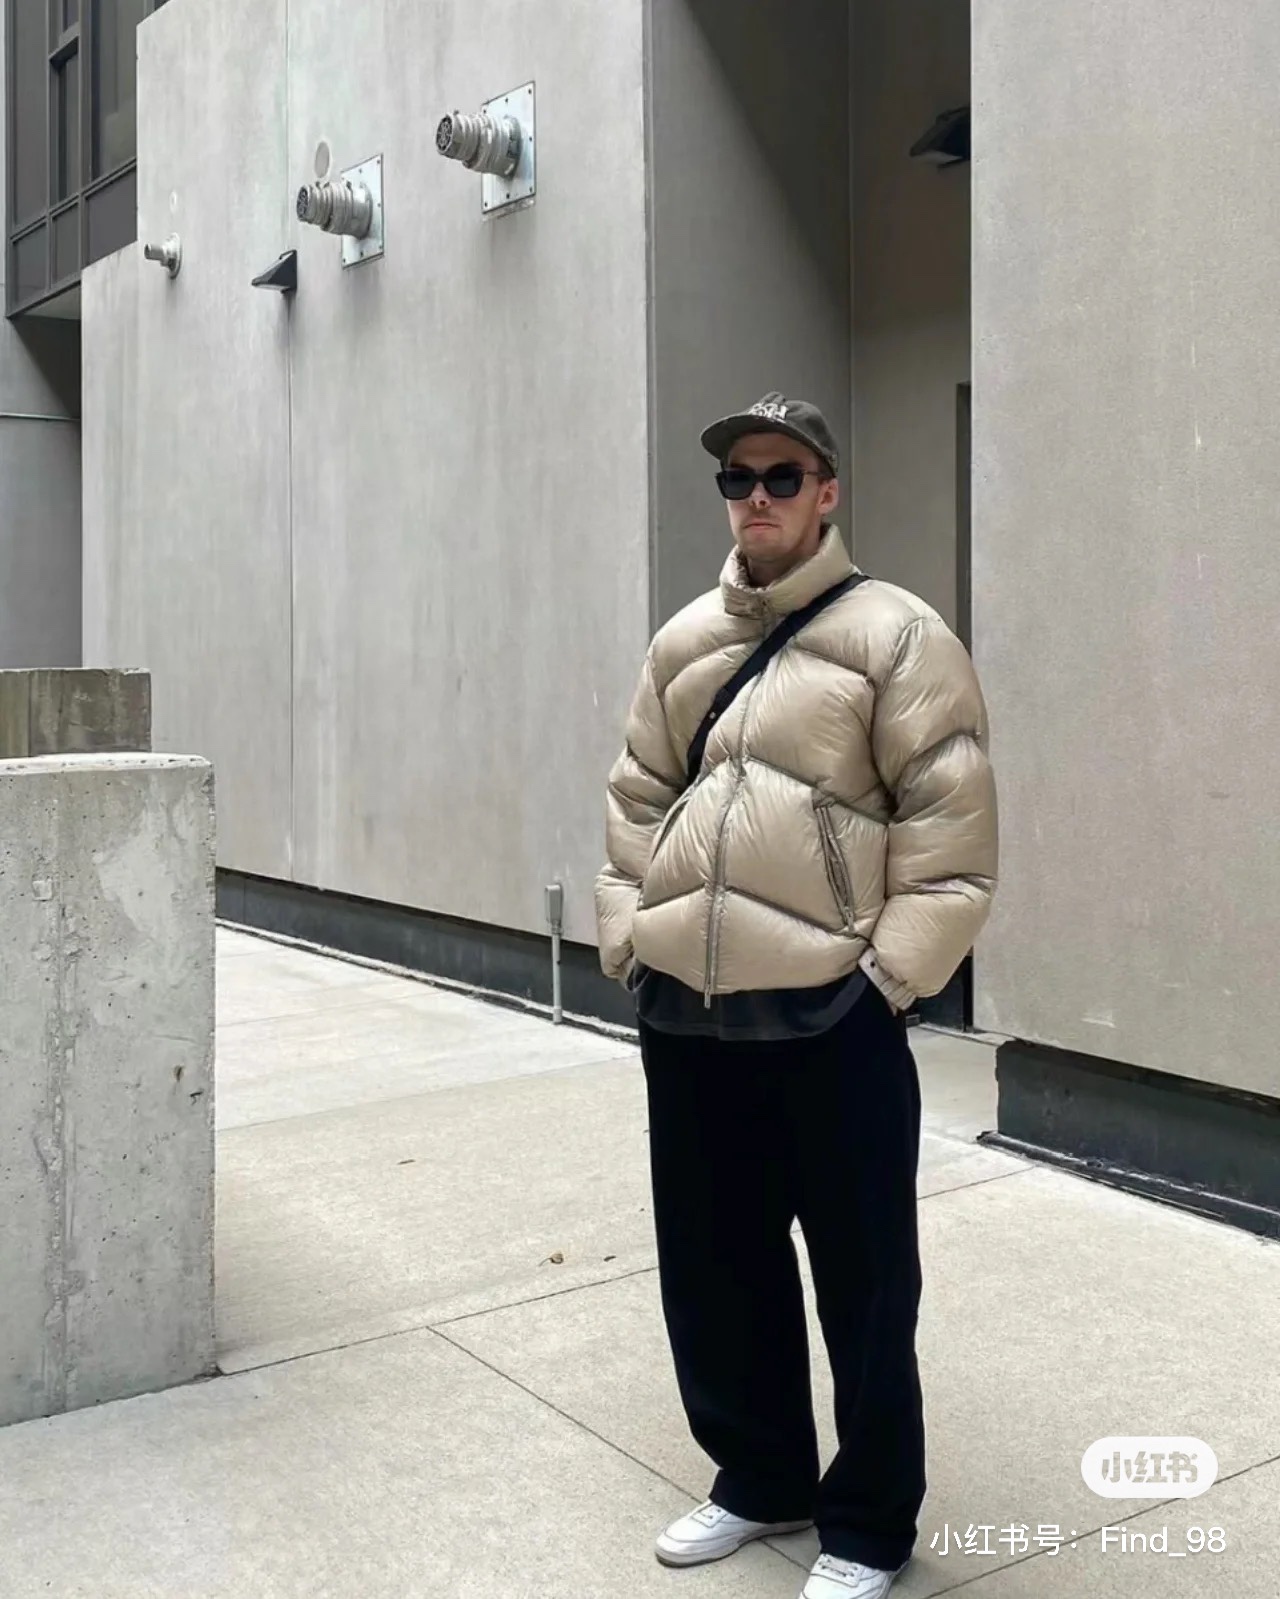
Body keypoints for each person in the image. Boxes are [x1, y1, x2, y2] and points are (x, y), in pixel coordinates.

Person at [594, 392, 998, 1599]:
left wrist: (884, 983)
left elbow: (949, 836)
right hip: (688, 1015)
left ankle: (865, 1527)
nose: (756, 497)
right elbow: (633, 799)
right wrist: (628, 940)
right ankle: (759, 1477)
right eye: (738, 479)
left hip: (831, 1019)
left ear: (826, 491)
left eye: (782, 476)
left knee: (864, 1285)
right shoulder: (683, 642)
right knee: (713, 1269)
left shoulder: (899, 636)